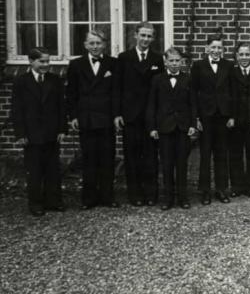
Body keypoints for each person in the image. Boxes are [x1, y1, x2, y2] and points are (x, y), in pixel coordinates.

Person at [66, 29, 119, 209]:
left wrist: (117, 115)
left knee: (107, 158)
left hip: (106, 119)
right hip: (86, 118)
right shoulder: (76, 65)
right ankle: (88, 198)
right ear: (85, 45)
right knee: (89, 159)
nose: (95, 46)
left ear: (104, 44)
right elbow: (71, 93)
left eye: (98, 43)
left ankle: (107, 196)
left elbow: (116, 93)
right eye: (92, 43)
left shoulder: (113, 63)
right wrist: (73, 116)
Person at [113, 21, 164, 207]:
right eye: (142, 35)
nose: (145, 39)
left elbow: (160, 89)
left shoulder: (157, 59)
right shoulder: (124, 58)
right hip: (130, 116)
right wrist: (117, 114)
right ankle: (135, 194)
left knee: (150, 156)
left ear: (153, 38)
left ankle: (151, 194)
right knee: (132, 156)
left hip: (150, 116)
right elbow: (117, 88)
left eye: (149, 36)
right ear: (135, 35)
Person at [11, 47, 66, 216]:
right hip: (32, 134)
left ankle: (53, 201)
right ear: (31, 61)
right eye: (41, 61)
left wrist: (62, 129)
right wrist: (20, 134)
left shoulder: (55, 80)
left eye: (48, 61)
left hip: (51, 132)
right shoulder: (21, 81)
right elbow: (16, 109)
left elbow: (61, 106)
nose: (46, 65)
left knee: (52, 169)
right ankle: (36, 203)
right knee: (34, 170)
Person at [146, 47, 197, 210]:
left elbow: (193, 104)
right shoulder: (157, 79)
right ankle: (168, 198)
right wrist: (152, 127)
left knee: (182, 163)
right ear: (165, 62)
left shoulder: (188, 79)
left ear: (181, 62)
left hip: (182, 127)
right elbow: (152, 105)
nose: (175, 64)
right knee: (167, 164)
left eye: (177, 61)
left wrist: (192, 125)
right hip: (164, 128)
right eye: (171, 61)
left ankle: (183, 198)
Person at [191, 34, 235, 204]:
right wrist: (196, 118)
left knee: (221, 153)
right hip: (205, 116)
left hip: (223, 116)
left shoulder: (228, 65)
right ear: (207, 48)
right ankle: (205, 191)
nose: (216, 51)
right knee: (205, 153)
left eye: (220, 48)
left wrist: (231, 116)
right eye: (213, 47)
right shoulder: (198, 66)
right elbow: (193, 93)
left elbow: (232, 93)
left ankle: (221, 189)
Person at [230, 43, 250, 198]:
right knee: (235, 153)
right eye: (241, 54)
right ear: (236, 56)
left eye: (247, 54)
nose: (244, 58)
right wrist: (231, 117)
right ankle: (237, 186)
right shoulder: (232, 73)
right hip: (236, 120)